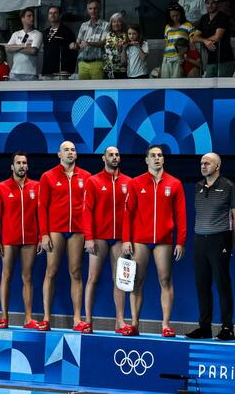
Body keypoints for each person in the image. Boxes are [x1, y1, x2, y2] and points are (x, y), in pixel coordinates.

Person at [122, 145, 187, 337]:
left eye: (160, 155)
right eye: (153, 155)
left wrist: (180, 241)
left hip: (164, 240)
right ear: (146, 160)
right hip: (140, 240)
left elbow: (181, 215)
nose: (157, 158)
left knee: (165, 280)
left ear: (163, 160)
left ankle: (165, 324)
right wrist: (126, 239)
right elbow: (128, 214)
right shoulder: (136, 183)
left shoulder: (174, 183)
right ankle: (134, 323)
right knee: (136, 281)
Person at [38, 141, 91, 331]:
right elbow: (42, 207)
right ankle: (46, 318)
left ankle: (77, 319)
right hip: (55, 230)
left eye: (73, 150)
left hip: (77, 230)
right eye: (66, 150)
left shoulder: (86, 177)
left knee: (76, 272)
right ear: (59, 154)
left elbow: (88, 208)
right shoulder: (48, 176)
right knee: (51, 271)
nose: (70, 152)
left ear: (76, 155)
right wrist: (44, 234)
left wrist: (88, 234)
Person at [82, 147, 131, 334]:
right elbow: (86, 210)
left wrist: (128, 238)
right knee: (92, 278)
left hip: (119, 239)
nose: (115, 157)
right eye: (111, 155)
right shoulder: (93, 181)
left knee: (120, 280)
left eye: (117, 154)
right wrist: (89, 238)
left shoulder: (129, 182)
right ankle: (88, 320)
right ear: (104, 158)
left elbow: (131, 213)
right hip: (99, 238)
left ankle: (120, 321)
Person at [186, 153, 234, 341]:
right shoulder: (197, 187)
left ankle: (227, 328)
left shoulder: (229, 186)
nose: (203, 166)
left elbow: (234, 217)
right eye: (201, 163)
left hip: (220, 240)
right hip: (200, 241)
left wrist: (230, 244)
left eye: (207, 163)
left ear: (217, 166)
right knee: (202, 285)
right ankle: (204, 327)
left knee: (222, 285)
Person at [0, 152, 40, 329]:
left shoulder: (36, 186)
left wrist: (41, 237)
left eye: (24, 162)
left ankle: (28, 318)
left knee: (27, 277)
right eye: (18, 162)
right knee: (7, 276)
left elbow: (40, 214)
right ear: (12, 166)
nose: (21, 165)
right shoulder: (1, 188)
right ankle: (4, 316)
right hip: (9, 240)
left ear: (27, 166)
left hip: (31, 239)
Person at [192, 0, 235, 78]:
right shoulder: (204, 18)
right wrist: (205, 41)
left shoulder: (223, 17)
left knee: (223, 86)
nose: (210, 5)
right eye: (207, 3)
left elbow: (217, 37)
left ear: (218, 4)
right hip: (211, 59)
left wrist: (203, 39)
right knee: (208, 84)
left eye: (213, 3)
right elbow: (194, 37)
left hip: (225, 59)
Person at [70, 0, 109, 80]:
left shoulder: (106, 25)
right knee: (83, 90)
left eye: (95, 8)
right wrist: (74, 45)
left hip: (98, 63)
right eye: (90, 8)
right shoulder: (84, 25)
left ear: (100, 9)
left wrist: (88, 43)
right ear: (87, 10)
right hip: (82, 63)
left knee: (97, 89)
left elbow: (103, 43)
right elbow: (79, 44)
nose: (93, 11)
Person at [6, 8, 43, 80]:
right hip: (15, 73)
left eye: (33, 16)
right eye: (29, 16)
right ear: (22, 18)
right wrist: (23, 46)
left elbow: (33, 51)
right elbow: (8, 48)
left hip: (30, 73)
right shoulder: (16, 34)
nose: (32, 18)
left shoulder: (37, 34)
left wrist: (15, 48)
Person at [41, 5, 77, 79]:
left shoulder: (67, 32)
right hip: (47, 71)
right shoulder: (45, 32)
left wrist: (69, 70)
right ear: (48, 16)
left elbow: (74, 52)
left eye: (55, 13)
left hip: (62, 72)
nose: (52, 15)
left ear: (60, 15)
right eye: (50, 13)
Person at [161, 3, 195, 78]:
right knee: (165, 81)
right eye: (172, 16)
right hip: (167, 57)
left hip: (180, 57)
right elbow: (167, 42)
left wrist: (185, 57)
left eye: (177, 15)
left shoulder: (188, 25)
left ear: (181, 14)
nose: (175, 18)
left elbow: (192, 43)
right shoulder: (167, 26)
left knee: (177, 81)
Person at [103, 12, 128, 79]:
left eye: (119, 21)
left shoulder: (127, 35)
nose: (116, 24)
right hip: (109, 69)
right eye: (114, 22)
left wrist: (122, 48)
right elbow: (108, 51)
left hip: (123, 69)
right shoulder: (108, 35)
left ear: (122, 23)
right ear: (111, 24)